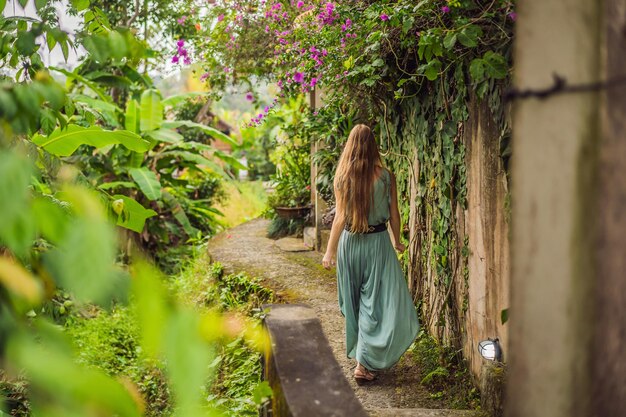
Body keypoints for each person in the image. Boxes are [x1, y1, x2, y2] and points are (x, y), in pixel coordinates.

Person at [322, 124, 419, 384]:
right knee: (374, 303)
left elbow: (340, 217)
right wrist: (397, 240)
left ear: (350, 145)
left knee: (356, 304)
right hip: (377, 244)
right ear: (373, 145)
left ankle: (362, 361)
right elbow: (395, 213)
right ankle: (363, 364)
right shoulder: (386, 176)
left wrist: (330, 252)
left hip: (350, 245)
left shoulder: (342, 177)